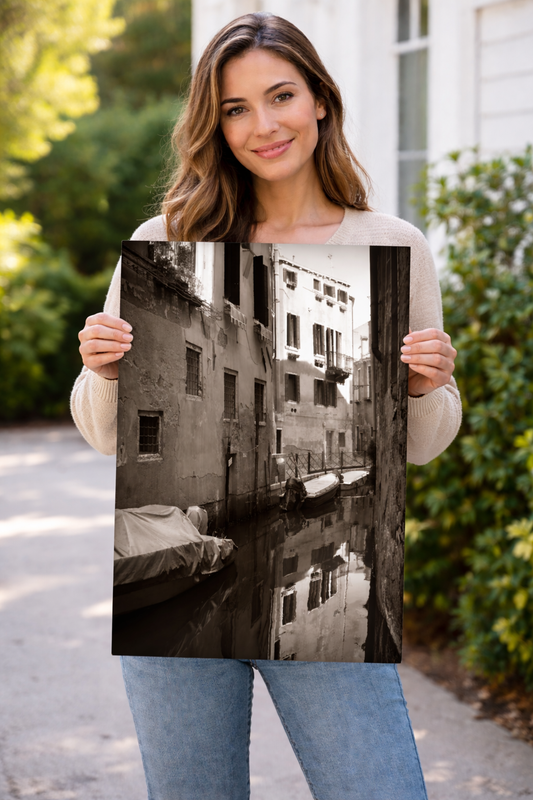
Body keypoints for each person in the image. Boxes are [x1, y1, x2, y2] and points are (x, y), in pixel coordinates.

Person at [72, 12, 461, 800]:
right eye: (235, 109)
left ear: (319, 99)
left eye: (280, 95)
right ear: (212, 125)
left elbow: (420, 445)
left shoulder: (392, 244)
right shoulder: (166, 238)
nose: (263, 125)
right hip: (166, 638)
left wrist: (426, 387)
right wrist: (102, 368)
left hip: (337, 628)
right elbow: (100, 432)